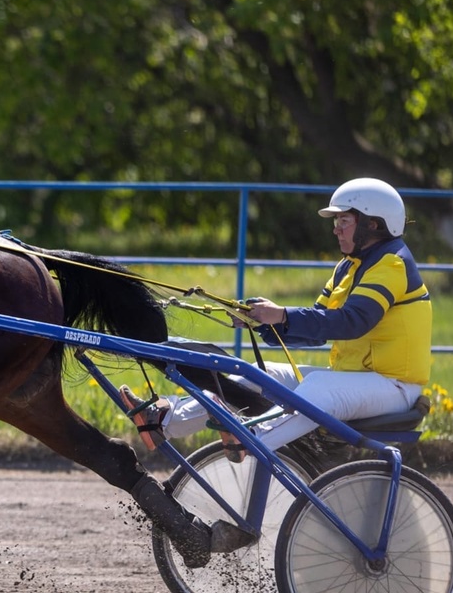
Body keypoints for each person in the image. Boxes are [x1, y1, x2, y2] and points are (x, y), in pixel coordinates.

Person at [121, 177, 432, 458]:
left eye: (344, 220)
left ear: (373, 224)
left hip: (392, 388)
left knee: (319, 386)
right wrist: (264, 322)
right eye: (336, 221)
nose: (336, 228)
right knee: (259, 372)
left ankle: (252, 437)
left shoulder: (392, 265)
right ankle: (164, 421)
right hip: (357, 381)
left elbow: (351, 322)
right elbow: (319, 326)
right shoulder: (348, 267)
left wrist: (282, 314)